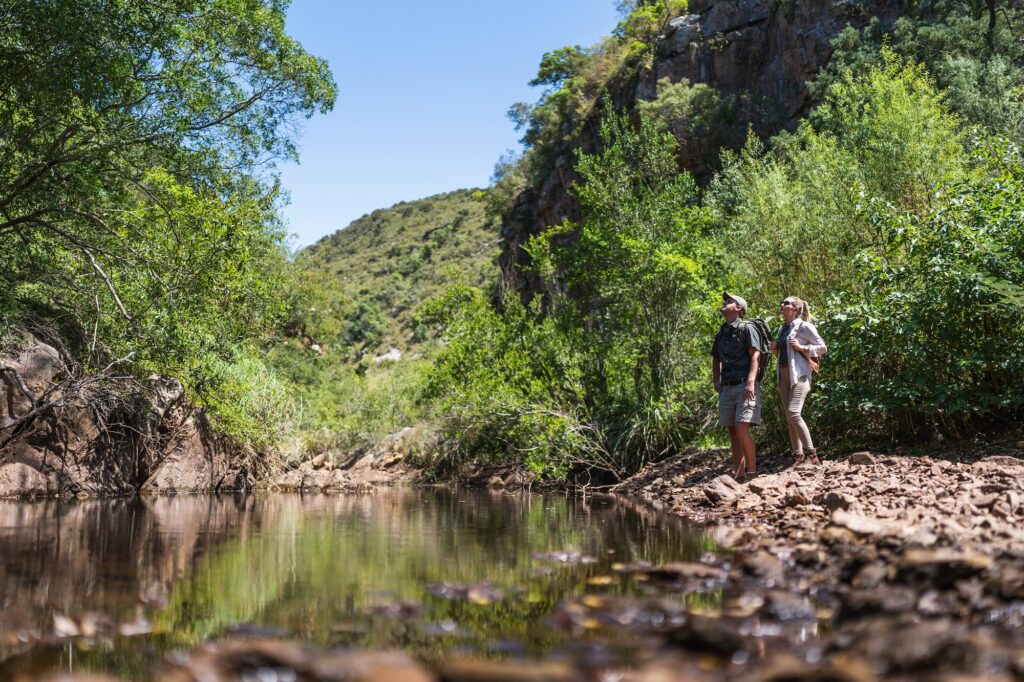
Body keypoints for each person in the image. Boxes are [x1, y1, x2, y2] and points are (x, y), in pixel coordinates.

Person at [711, 291, 763, 481]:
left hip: (745, 385)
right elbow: (715, 358)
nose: (725, 302)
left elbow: (755, 356)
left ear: (739, 309)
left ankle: (752, 472)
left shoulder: (747, 328)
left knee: (742, 428)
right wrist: (715, 379)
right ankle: (739, 473)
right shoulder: (722, 331)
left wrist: (751, 381)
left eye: (730, 301)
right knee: (733, 431)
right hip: (727, 386)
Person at [770, 296, 827, 467]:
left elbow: (822, 348)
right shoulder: (782, 329)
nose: (782, 305)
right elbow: (783, 354)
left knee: (793, 412)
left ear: (795, 309)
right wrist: (774, 350)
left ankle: (812, 455)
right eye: (782, 302)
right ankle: (798, 457)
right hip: (783, 374)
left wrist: (802, 348)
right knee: (789, 417)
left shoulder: (805, 326)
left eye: (786, 303)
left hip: (800, 375)